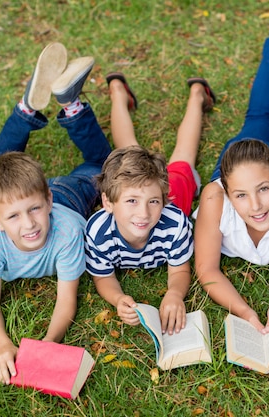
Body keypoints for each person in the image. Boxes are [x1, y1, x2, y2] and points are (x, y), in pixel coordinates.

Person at [0, 42, 112, 384]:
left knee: (103, 168)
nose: (29, 224)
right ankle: (56, 105)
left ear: (45, 202)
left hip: (70, 198)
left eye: (35, 210)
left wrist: (46, 347)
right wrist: (3, 346)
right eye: (14, 218)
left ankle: (57, 106)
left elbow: (67, 301)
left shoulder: (64, 231)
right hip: (30, 196)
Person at [193, 1, 269, 334]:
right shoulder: (214, 199)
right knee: (260, 117)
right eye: (242, 196)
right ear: (227, 192)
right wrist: (247, 313)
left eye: (264, 190)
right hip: (242, 160)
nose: (256, 205)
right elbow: (207, 270)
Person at [84, 73, 216, 335]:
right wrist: (117, 298)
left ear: (163, 200)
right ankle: (118, 94)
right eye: (132, 202)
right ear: (108, 203)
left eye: (153, 202)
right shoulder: (97, 232)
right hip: (143, 186)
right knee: (127, 150)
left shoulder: (174, 221)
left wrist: (175, 294)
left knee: (183, 157)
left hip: (173, 188)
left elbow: (179, 269)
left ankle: (197, 94)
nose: (143, 213)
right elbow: (103, 276)